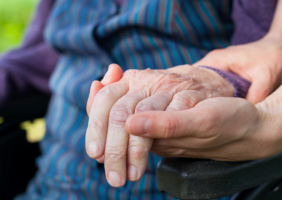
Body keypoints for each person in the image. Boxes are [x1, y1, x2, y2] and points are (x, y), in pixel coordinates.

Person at [0, 1, 278, 200]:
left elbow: (259, 62)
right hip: (53, 183)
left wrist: (222, 81)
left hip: (179, 187)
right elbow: (39, 57)